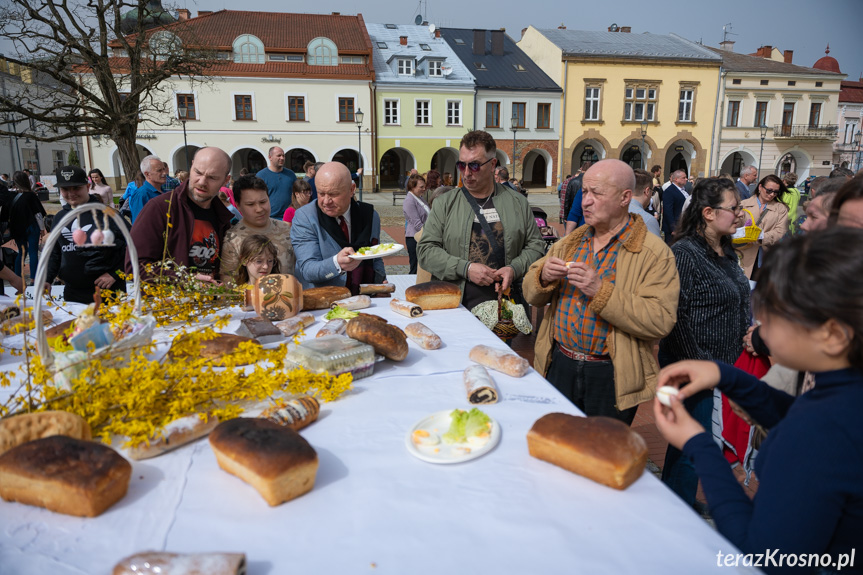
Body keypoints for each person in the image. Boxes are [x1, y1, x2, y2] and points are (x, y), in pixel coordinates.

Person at [653, 227, 863, 569]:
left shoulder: (820, 433)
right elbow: (793, 414)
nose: (760, 325)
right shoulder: (842, 390)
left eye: (777, 314)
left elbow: (763, 555)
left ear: (833, 335)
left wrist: (699, 444)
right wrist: (726, 376)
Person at [522, 159, 679, 424]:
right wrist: (543, 276)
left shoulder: (654, 253)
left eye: (597, 193)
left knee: (601, 456)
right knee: (557, 449)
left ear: (624, 197)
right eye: (584, 192)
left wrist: (600, 291)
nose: (585, 202)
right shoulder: (570, 242)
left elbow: (660, 320)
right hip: (559, 365)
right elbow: (530, 292)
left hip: (611, 376)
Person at [657, 177, 750, 510]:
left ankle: (677, 502)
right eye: (735, 208)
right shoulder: (685, 253)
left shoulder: (725, 250)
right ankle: (676, 512)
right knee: (693, 446)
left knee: (699, 443)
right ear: (708, 213)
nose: (741, 214)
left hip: (722, 368)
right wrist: (701, 367)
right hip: (695, 369)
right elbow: (674, 318)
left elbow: (736, 299)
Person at [417, 130, 544, 311]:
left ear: (492, 165)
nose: (467, 173)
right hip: (455, 306)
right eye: (462, 165)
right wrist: (465, 268)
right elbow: (425, 251)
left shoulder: (517, 202)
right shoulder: (445, 203)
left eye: (474, 165)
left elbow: (536, 246)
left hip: (503, 309)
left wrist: (514, 269)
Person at [127, 147, 233, 283]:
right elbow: (134, 266)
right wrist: (185, 280)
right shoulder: (160, 208)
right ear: (192, 165)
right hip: (169, 302)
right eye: (198, 172)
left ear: (226, 180)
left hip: (211, 301)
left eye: (212, 177)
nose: (202, 182)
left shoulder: (222, 216)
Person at [290, 162, 386, 292]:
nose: (326, 201)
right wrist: (336, 263)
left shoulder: (370, 215)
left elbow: (375, 256)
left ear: (352, 189)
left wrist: (380, 281)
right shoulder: (304, 217)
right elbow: (307, 270)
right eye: (321, 193)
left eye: (333, 194)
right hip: (323, 300)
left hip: (363, 298)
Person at [45, 166, 127, 304]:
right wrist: (47, 279)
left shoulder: (107, 214)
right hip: (73, 293)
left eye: (76, 188)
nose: (71, 193)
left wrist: (115, 274)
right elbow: (54, 252)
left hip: (107, 292)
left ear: (88, 186)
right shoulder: (60, 217)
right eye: (65, 189)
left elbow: (133, 246)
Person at [219, 175, 295, 283]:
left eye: (263, 202)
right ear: (238, 206)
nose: (259, 209)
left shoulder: (286, 229)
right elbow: (228, 284)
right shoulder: (232, 238)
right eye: (250, 204)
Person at [738, 175, 789, 279]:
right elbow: (734, 227)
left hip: (766, 255)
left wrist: (760, 237)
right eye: (769, 190)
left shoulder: (781, 208)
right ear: (760, 187)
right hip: (743, 254)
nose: (772, 194)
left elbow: (780, 231)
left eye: (776, 192)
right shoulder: (743, 205)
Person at [8, 171, 46, 283]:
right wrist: (42, 228)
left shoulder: (10, 196)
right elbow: (38, 214)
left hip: (17, 227)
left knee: (21, 252)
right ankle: (34, 278)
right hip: (31, 226)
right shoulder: (31, 196)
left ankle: (17, 278)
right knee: (33, 252)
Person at [235, 234, 280, 310]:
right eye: (259, 261)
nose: (265, 266)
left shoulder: (279, 289)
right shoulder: (238, 293)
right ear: (243, 260)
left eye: (270, 261)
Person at [256, 146, 297, 219]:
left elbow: (296, 194)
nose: (282, 158)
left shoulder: (291, 175)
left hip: (289, 218)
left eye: (283, 156)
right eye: (279, 155)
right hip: (269, 218)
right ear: (270, 157)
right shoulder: (261, 176)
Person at [403, 174, 430, 275]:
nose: (424, 189)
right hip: (414, 238)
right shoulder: (409, 201)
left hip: (423, 236)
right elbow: (417, 224)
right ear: (413, 187)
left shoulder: (419, 198)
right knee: (415, 269)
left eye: (424, 186)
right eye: (421, 187)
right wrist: (431, 234)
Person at [129, 155, 167, 223]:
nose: (164, 173)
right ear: (147, 174)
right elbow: (139, 224)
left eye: (164, 169)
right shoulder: (141, 194)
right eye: (159, 170)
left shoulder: (164, 192)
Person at [630, 168, 661, 237]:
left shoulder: (614, 212)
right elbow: (655, 247)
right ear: (647, 191)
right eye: (652, 192)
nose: (651, 195)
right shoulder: (648, 220)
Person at [661, 170, 689, 243]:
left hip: (683, 224)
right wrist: (673, 228)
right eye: (684, 177)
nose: (686, 179)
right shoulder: (669, 191)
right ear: (676, 179)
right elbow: (668, 211)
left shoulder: (684, 190)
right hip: (675, 227)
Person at [562, 162, 591, 230]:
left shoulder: (572, 181)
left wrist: (565, 216)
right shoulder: (590, 182)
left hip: (573, 213)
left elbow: (567, 200)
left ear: (581, 169)